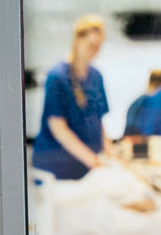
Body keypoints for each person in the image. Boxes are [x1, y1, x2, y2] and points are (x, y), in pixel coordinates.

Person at [32, 14, 117, 180]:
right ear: (78, 40)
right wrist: (93, 161)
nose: (95, 51)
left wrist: (111, 155)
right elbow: (59, 128)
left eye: (98, 46)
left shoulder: (96, 76)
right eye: (91, 45)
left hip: (86, 166)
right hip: (57, 166)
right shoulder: (58, 76)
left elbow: (99, 122)